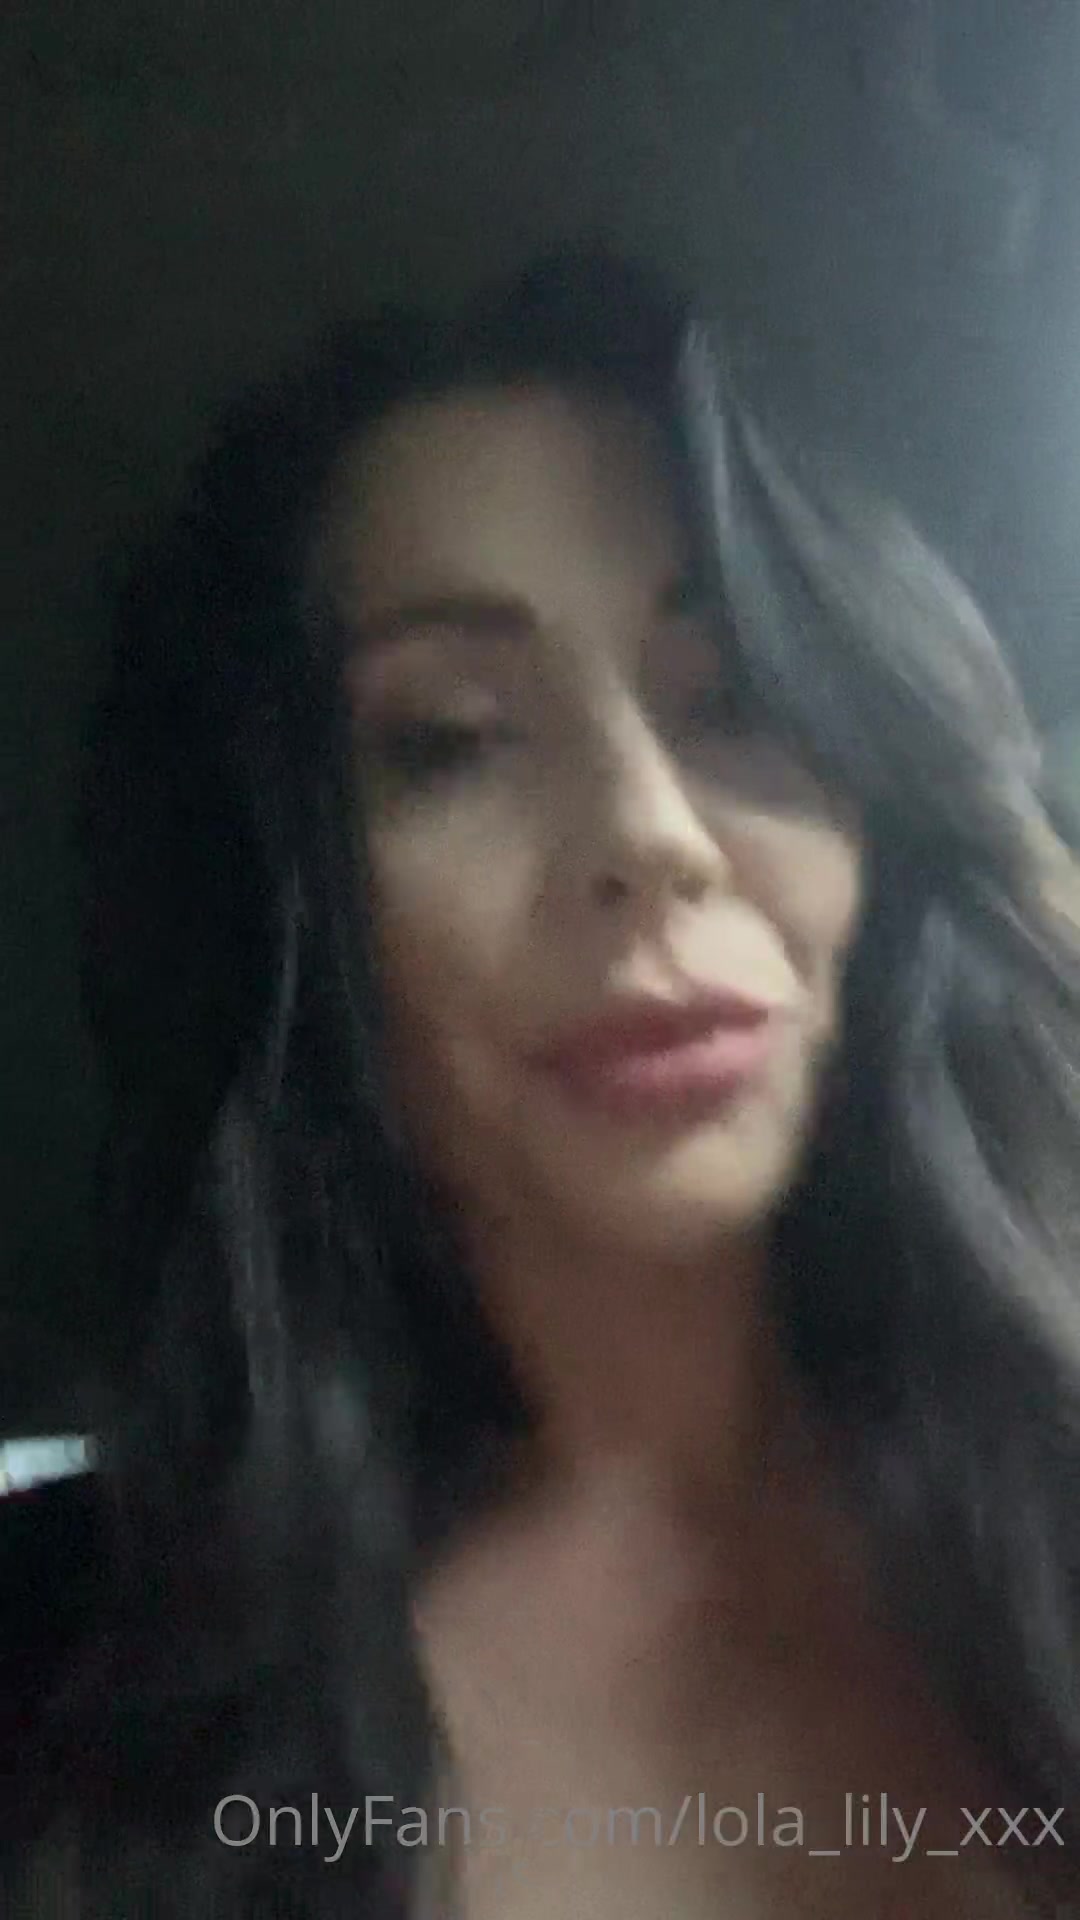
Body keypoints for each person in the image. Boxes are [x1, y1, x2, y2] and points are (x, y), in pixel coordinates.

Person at [12, 250, 1080, 1917]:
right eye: (451, 739)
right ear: (291, 904)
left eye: (736, 698)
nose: (650, 834)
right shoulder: (77, 1674)